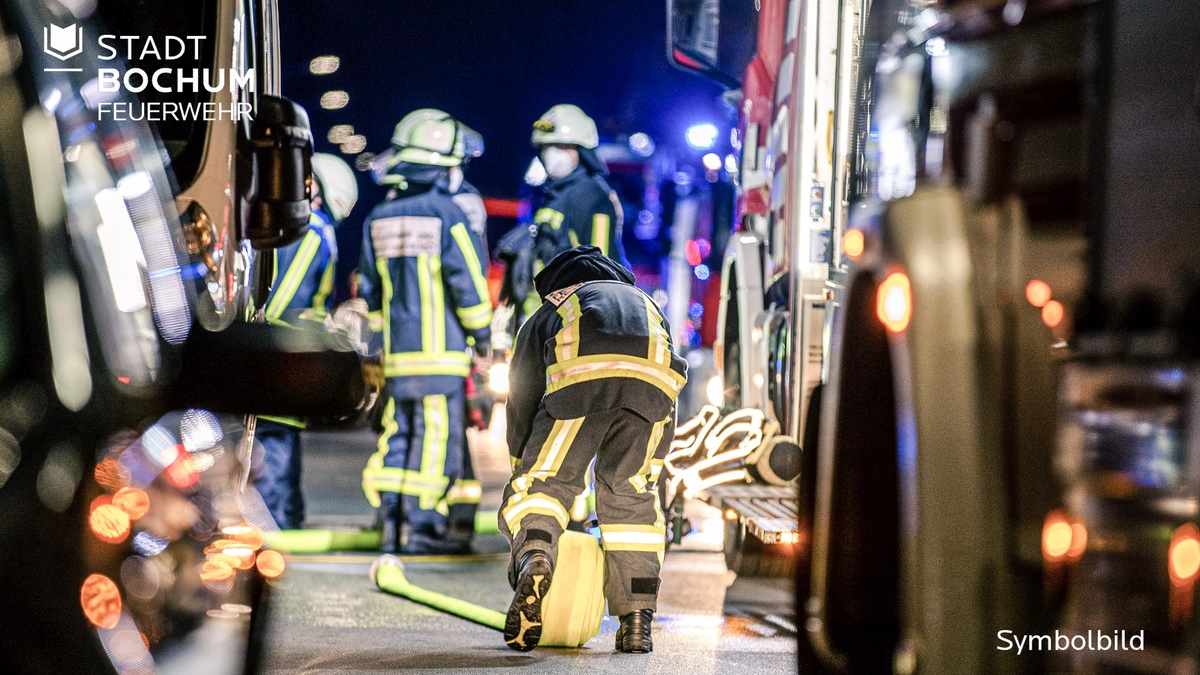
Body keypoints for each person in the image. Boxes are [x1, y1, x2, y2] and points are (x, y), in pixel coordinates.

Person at [499, 246, 687, 653]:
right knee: (631, 498)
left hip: (579, 383)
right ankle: (636, 621)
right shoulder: (646, 303)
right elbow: (669, 368)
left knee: (544, 486)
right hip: (654, 393)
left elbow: (522, 394)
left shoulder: (554, 309)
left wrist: (523, 462)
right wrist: (654, 460)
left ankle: (535, 558)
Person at [360, 111, 493, 555]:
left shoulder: (378, 217)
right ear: (442, 166)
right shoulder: (449, 213)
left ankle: (390, 521)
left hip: (399, 358)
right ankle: (422, 528)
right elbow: (469, 285)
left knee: (398, 437)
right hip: (441, 357)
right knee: (436, 443)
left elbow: (370, 291)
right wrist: (483, 335)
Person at [253, 152, 357, 530]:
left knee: (275, 439)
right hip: (283, 351)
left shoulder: (290, 226)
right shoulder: (312, 231)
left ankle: (280, 523)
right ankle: (277, 525)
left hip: (275, 349)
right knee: (278, 439)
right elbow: (291, 297)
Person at [499, 104, 628, 326]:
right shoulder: (546, 194)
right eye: (546, 146)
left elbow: (603, 267)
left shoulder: (592, 195)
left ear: (581, 150)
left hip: (570, 322)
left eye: (561, 146)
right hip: (537, 321)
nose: (551, 154)